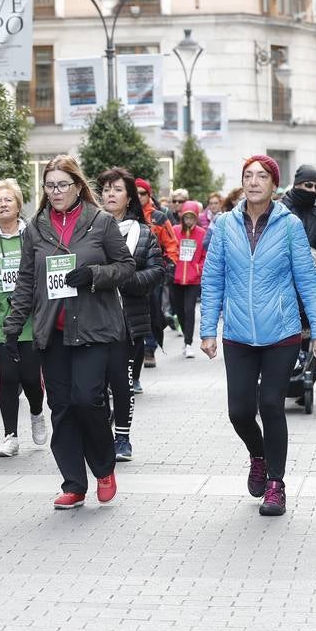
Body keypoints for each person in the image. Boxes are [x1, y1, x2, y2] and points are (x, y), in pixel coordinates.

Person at [200, 154, 316, 518]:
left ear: (274, 185)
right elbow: (212, 279)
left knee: (271, 404)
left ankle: (275, 483)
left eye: (261, 176)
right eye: (248, 176)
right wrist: (208, 328)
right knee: (239, 411)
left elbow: (306, 280)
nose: (254, 182)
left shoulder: (289, 226)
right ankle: (258, 455)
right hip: (239, 333)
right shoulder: (224, 225)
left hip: (282, 332)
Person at [4, 156, 135, 510]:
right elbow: (27, 280)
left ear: (78, 186)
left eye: (63, 184)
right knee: (60, 408)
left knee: (86, 399)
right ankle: (74, 483)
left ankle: (104, 468)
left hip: (94, 328)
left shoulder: (101, 221)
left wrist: (94, 275)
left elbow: (125, 267)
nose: (56, 191)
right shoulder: (36, 227)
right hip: (53, 331)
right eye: (50, 185)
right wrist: (14, 327)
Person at [97, 168, 166, 463]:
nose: (110, 194)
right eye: (106, 189)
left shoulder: (144, 233)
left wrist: (124, 279)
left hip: (128, 319)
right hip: (94, 318)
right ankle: (100, 431)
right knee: (94, 385)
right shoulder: (89, 230)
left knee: (122, 381)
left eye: (117, 190)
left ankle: (122, 438)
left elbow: (156, 272)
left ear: (129, 198)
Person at [0, 179, 47, 456]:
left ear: (19, 205)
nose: (3, 204)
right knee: (8, 377)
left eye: (8, 199)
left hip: (31, 320)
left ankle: (36, 412)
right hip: (0, 322)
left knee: (31, 378)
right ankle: (10, 435)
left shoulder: (31, 234)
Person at [133, 178, 177, 369]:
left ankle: (150, 348)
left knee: (152, 312)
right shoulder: (128, 215)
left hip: (153, 273)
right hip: (130, 272)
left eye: (142, 193)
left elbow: (171, 243)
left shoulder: (159, 217)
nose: (139, 197)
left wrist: (169, 265)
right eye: (135, 193)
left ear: (149, 195)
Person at [172, 201, 207, 356]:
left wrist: (199, 268)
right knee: (179, 310)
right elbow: (170, 249)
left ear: (196, 217)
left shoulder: (201, 233)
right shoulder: (175, 230)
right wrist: (172, 264)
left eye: (192, 217)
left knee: (189, 309)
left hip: (193, 279)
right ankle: (185, 335)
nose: (189, 220)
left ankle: (188, 343)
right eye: (186, 217)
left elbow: (206, 255)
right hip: (176, 278)